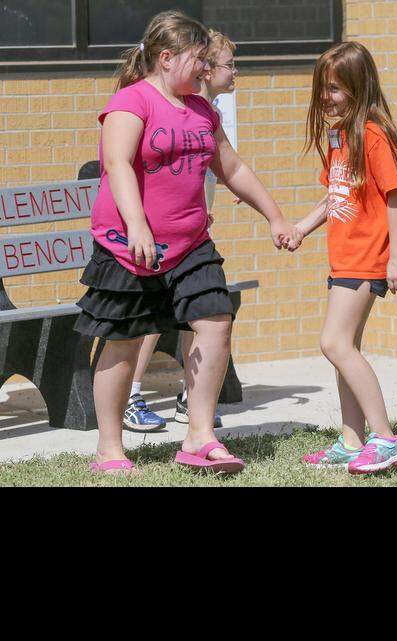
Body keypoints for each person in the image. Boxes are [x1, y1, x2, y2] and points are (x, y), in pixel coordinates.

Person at [76, 10, 290, 475]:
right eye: (200, 62)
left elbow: (231, 168)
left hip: (190, 240)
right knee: (124, 342)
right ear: (167, 58)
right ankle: (109, 449)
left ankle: (199, 437)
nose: (207, 71)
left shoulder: (201, 110)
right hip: (126, 245)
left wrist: (274, 216)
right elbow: (116, 164)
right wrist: (137, 225)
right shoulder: (131, 103)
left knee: (215, 320)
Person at [283, 42, 397, 475]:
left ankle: (386, 438)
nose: (326, 97)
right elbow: (334, 195)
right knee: (345, 350)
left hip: (365, 259)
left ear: (359, 87)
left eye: (335, 89)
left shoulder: (373, 134)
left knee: (334, 343)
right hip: (343, 259)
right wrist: (301, 226)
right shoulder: (341, 136)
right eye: (323, 87)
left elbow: (396, 197)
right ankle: (352, 441)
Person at [123, 28, 240, 433]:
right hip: (154, 237)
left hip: (192, 230)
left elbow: (222, 165)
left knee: (206, 313)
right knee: (153, 319)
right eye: (224, 64)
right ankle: (131, 395)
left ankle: (190, 402)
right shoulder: (148, 103)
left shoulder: (211, 110)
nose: (228, 71)